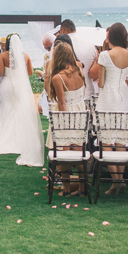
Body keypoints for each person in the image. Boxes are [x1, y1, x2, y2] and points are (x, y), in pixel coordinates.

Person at [89, 23, 128, 195]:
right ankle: (119, 181)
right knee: (122, 141)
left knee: (107, 141)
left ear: (111, 37)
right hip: (124, 99)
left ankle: (117, 182)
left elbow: (100, 83)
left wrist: (109, 81)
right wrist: (121, 83)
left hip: (107, 98)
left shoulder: (104, 56)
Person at [0, 34, 44, 167]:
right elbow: (29, 73)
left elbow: (0, 73)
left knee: (6, 109)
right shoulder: (26, 56)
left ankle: (3, 138)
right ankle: (22, 140)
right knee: (19, 110)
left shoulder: (3, 56)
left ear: (7, 43)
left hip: (7, 85)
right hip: (20, 86)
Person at [46, 42, 86, 196]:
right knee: (79, 152)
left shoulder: (58, 77)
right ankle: (83, 188)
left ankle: (67, 189)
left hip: (66, 114)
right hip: (80, 113)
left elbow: (62, 102)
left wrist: (63, 125)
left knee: (63, 154)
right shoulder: (80, 71)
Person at [59, 19, 99, 101]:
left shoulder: (61, 45)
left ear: (62, 30)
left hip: (69, 93)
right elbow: (94, 73)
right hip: (88, 91)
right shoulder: (90, 45)